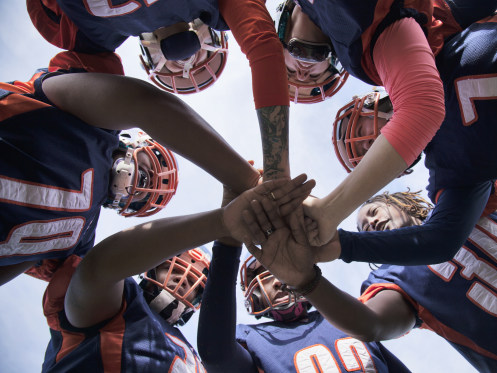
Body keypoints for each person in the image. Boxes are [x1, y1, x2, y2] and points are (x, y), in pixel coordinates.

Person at [325, 0, 497, 265]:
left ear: (370, 102)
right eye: (363, 156)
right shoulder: (453, 174)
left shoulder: (426, 36)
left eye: (357, 129)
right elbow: (440, 241)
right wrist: (341, 246)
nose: (365, 144)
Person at [0, 51, 262, 285]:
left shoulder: (80, 244)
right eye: (150, 171)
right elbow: (143, 103)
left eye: (145, 198)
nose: (144, 186)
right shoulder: (96, 125)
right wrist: (249, 182)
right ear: (136, 142)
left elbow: (19, 257)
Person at [242, 191, 497, 371]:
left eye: (373, 212)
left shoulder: (469, 201)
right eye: (363, 229)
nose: (371, 223)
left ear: (400, 202)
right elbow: (371, 325)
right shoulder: (393, 277)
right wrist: (306, 280)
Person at [40, 174, 314, 372]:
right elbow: (98, 270)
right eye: (181, 266)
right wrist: (220, 223)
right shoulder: (121, 299)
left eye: (197, 286)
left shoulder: (199, 354)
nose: (187, 283)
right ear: (153, 264)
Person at [26, 0, 291, 180]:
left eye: (177, 71)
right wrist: (278, 172)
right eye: (202, 60)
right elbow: (264, 48)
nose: (187, 63)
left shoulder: (81, 36)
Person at [197, 250, 412, 373]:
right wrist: (227, 246)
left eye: (282, 269)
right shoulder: (250, 337)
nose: (278, 281)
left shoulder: (347, 316)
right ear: (254, 294)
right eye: (264, 274)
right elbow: (216, 356)